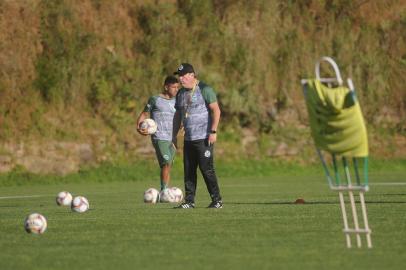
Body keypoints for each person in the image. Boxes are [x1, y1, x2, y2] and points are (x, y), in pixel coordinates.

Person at [172, 63, 223, 209]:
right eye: (179, 76)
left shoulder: (205, 89)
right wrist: (174, 135)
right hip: (189, 139)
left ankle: (217, 200)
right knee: (189, 171)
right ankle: (189, 201)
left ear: (192, 75)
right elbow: (177, 115)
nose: (180, 79)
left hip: (204, 138)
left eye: (183, 76)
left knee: (207, 170)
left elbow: (216, 110)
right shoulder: (181, 94)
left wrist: (213, 131)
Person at [136, 75, 179, 192]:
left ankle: (164, 190)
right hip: (159, 137)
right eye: (173, 87)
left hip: (173, 139)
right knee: (166, 162)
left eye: (177, 87)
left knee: (168, 165)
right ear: (166, 87)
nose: (176, 89)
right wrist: (138, 128)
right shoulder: (155, 99)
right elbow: (144, 114)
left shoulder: (178, 100)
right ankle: (164, 190)